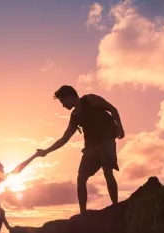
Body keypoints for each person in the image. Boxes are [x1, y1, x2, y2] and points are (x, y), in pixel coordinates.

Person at [36, 85, 125, 213]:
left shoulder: (90, 99)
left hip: (106, 141)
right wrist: (46, 151)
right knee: (81, 178)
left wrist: (120, 127)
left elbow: (112, 109)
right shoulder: (74, 116)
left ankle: (116, 207)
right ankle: (83, 213)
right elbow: (64, 138)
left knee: (108, 172)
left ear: (69, 96)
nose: (62, 105)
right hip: (91, 148)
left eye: (62, 101)